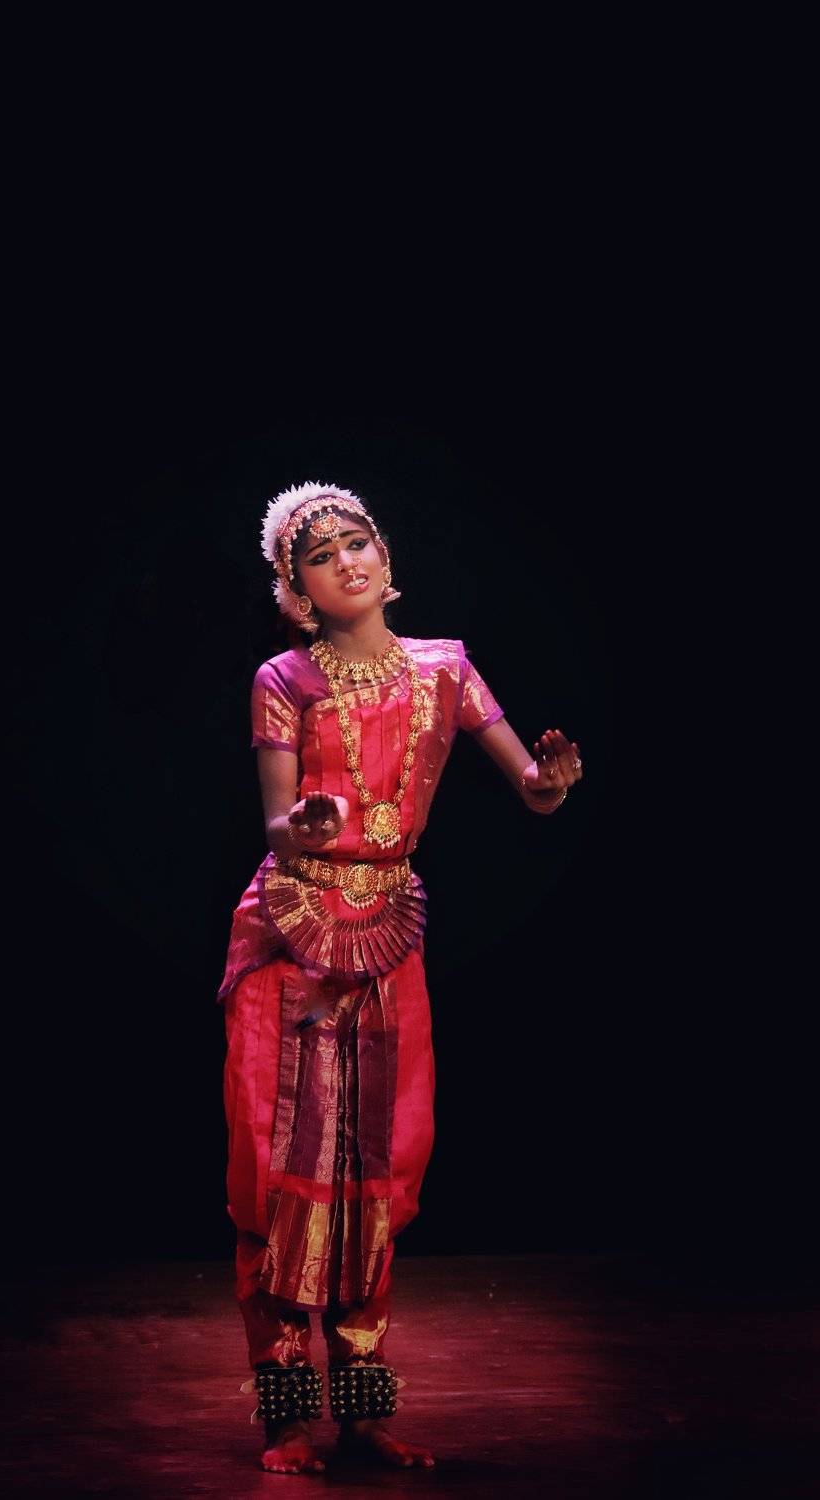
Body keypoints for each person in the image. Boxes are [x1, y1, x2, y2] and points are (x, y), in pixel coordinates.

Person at [217, 481, 583, 1474]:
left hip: (384, 933)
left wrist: (548, 785)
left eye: (358, 541)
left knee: (378, 1174)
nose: (346, 560)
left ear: (385, 557)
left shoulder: (446, 669)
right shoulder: (283, 678)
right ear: (296, 594)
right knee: (277, 1175)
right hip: (290, 936)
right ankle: (286, 1417)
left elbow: (530, 788)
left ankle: (364, 1411)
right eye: (320, 555)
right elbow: (278, 826)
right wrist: (307, 829)